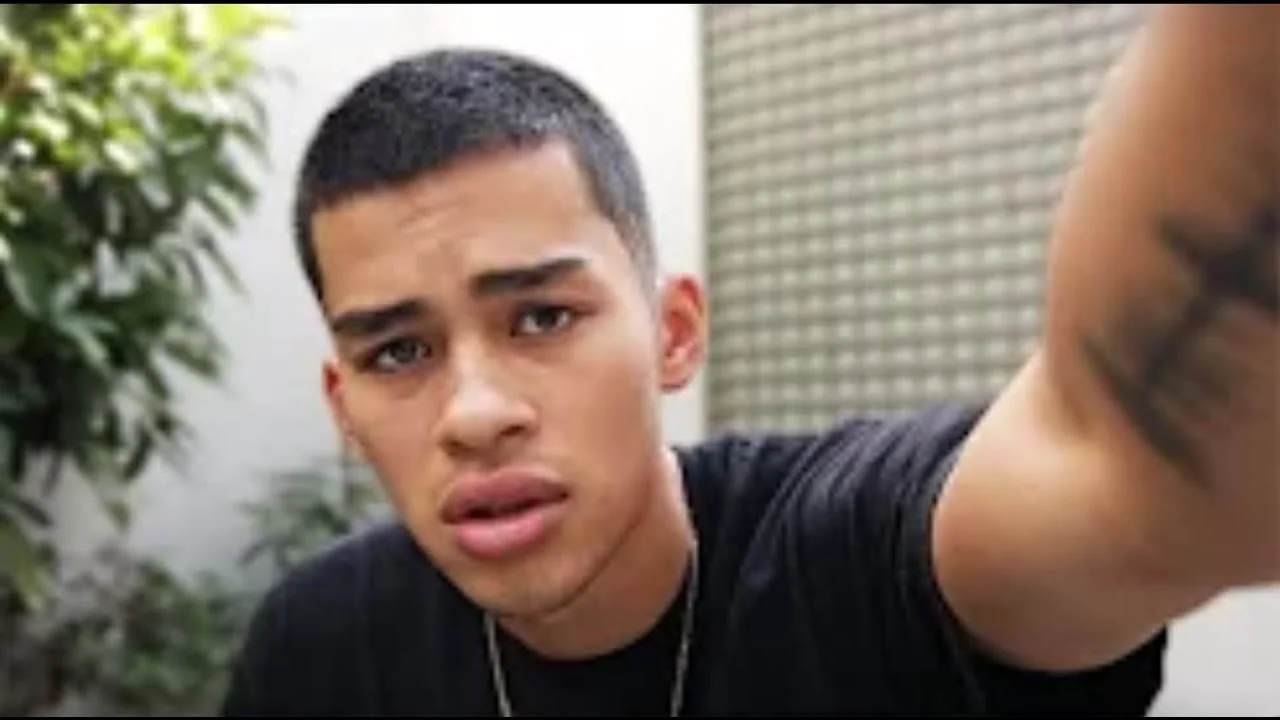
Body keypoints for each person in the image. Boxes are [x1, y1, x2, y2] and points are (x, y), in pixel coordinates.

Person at [221, 4, 1278, 715]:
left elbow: (1145, 474)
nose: (474, 411)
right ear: (343, 405)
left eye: (541, 317)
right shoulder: (318, 648)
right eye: (400, 350)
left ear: (673, 332)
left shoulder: (851, 565)